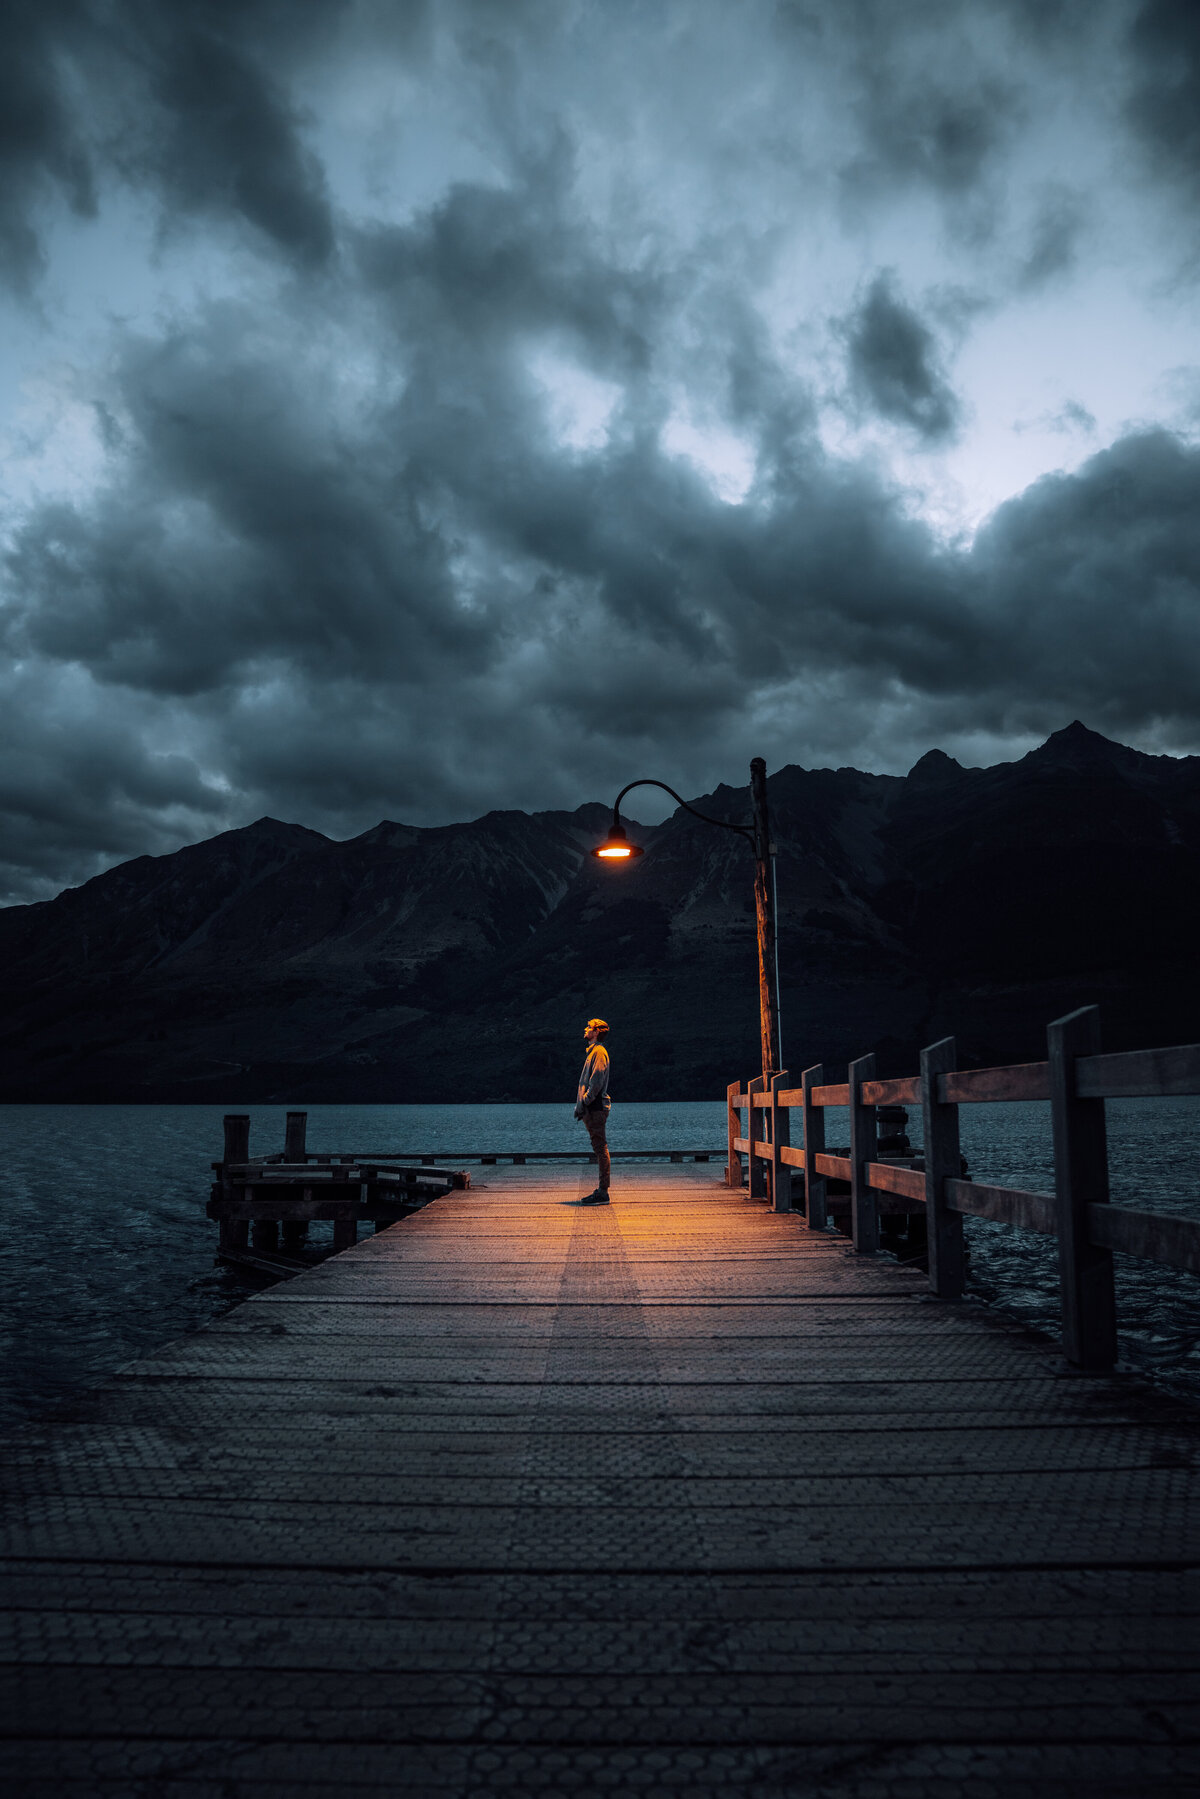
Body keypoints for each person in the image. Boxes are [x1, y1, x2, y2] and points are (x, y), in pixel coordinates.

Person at [574, 1017, 611, 1203]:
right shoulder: (593, 1052)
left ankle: (603, 1191)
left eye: (589, 1027)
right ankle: (602, 1190)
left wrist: (586, 1101)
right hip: (591, 1108)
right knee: (598, 1148)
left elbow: (596, 1081)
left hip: (595, 1107)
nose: (585, 1028)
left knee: (600, 1148)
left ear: (596, 1032)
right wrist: (580, 1107)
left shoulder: (599, 1052)